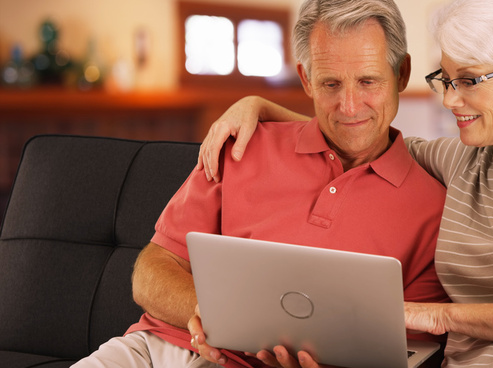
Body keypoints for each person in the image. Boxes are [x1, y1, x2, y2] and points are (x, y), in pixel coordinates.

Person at [196, 0, 493, 366]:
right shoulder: (461, 159)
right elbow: (357, 129)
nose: (449, 99)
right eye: (446, 80)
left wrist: (437, 316)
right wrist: (259, 105)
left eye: (468, 81)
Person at [72, 0, 452, 367]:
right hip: (159, 349)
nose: (349, 106)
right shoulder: (243, 145)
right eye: (331, 84)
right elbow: (151, 270)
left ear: (401, 74)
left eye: (368, 81)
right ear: (306, 79)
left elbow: (409, 346)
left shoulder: (433, 210)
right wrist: (210, 315)